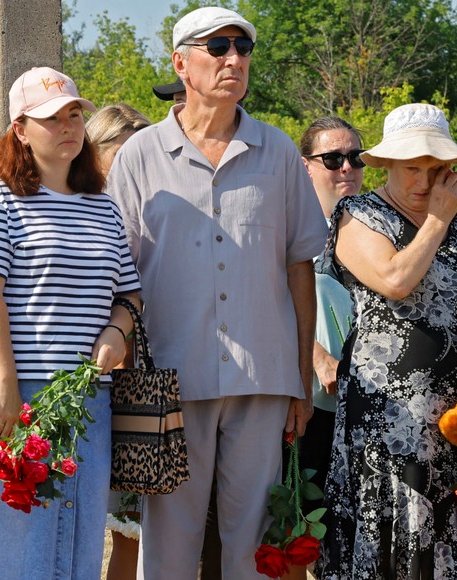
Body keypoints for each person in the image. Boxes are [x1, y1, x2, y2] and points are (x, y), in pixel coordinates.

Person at [108, 7, 327, 579]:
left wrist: (301, 377)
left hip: (263, 373)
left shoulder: (278, 151)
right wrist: (126, 373)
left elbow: (299, 267)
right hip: (168, 378)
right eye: (218, 47)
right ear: (181, 63)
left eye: (243, 49)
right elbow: (119, 274)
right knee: (169, 542)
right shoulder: (138, 156)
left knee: (254, 539)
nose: (234, 59)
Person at [0, 66, 142, 579]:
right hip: (13, 393)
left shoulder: (104, 208)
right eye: (51, 118)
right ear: (19, 129)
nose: (68, 126)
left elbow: (130, 294)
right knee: (9, 543)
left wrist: (116, 329)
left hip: (86, 397)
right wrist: (6, 383)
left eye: (75, 114)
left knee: (75, 538)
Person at [316, 103, 457, 579]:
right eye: (413, 168)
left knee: (455, 538)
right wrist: (437, 221)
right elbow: (394, 279)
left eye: (437, 168)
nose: (426, 181)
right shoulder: (359, 214)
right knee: (388, 542)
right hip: (387, 421)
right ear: (384, 166)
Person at [292, 116, 363, 579]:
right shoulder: (293, 227)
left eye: (355, 158)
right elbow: (274, 294)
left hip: (368, 401)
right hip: (312, 403)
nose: (347, 168)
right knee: (301, 532)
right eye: (333, 159)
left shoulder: (375, 225)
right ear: (306, 167)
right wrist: (317, 358)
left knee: (355, 533)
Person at [85, 102, 151, 580]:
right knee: (118, 526)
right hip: (103, 378)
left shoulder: (158, 205)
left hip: (155, 377)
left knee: (144, 526)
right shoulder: (89, 213)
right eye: (124, 154)